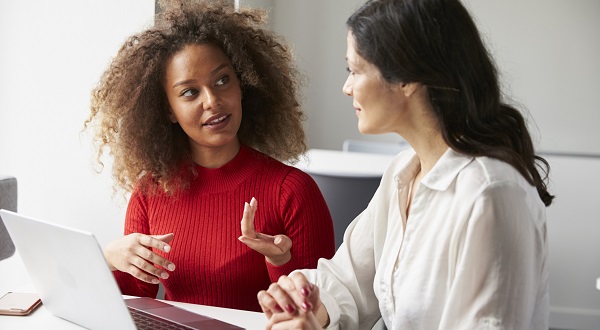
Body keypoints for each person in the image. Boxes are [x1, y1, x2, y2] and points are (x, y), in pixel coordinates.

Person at [257, 0, 555, 328]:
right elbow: (349, 282)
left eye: (354, 70)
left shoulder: (491, 194)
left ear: (407, 78)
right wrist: (309, 306)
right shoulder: (403, 171)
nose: (346, 87)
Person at [84, 0, 335, 312]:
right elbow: (134, 303)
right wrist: (109, 258)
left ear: (242, 85)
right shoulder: (150, 192)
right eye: (190, 92)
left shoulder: (293, 191)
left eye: (222, 80)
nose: (213, 101)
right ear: (168, 110)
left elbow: (316, 312)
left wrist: (279, 261)